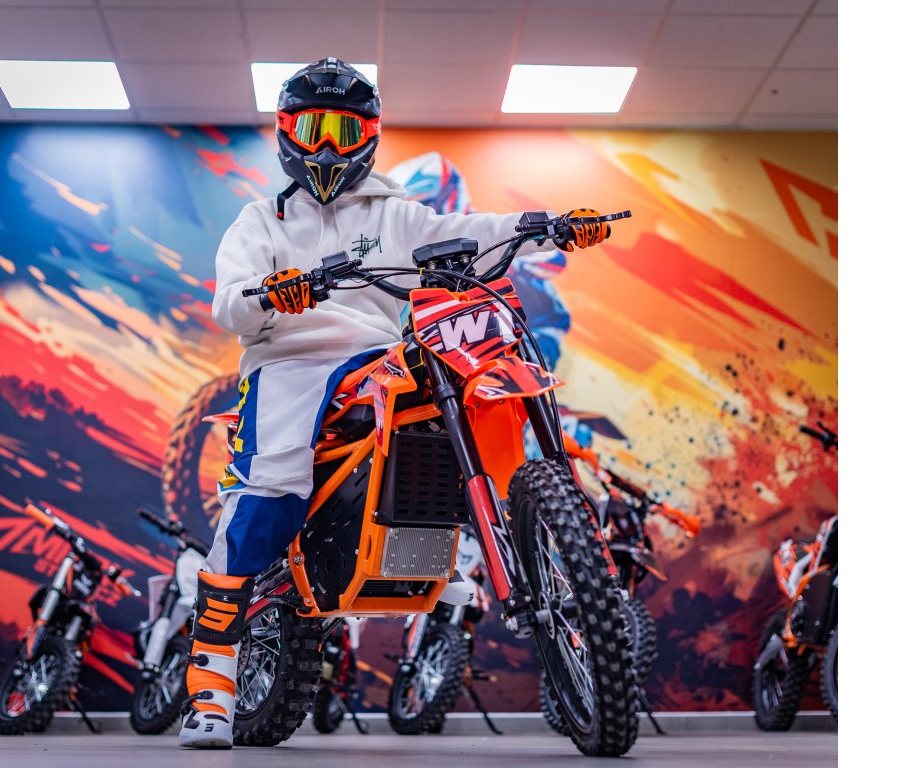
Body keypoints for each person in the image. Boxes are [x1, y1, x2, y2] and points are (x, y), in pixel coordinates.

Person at [179, 56, 610, 749]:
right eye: (313, 129)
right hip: (290, 360)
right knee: (270, 485)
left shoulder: (395, 214)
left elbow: (469, 231)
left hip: (378, 354)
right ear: (288, 132)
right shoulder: (261, 221)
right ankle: (212, 688)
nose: (328, 147)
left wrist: (545, 225)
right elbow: (230, 303)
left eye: (345, 132)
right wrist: (274, 292)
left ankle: (472, 542)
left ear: (370, 138)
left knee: (451, 392)